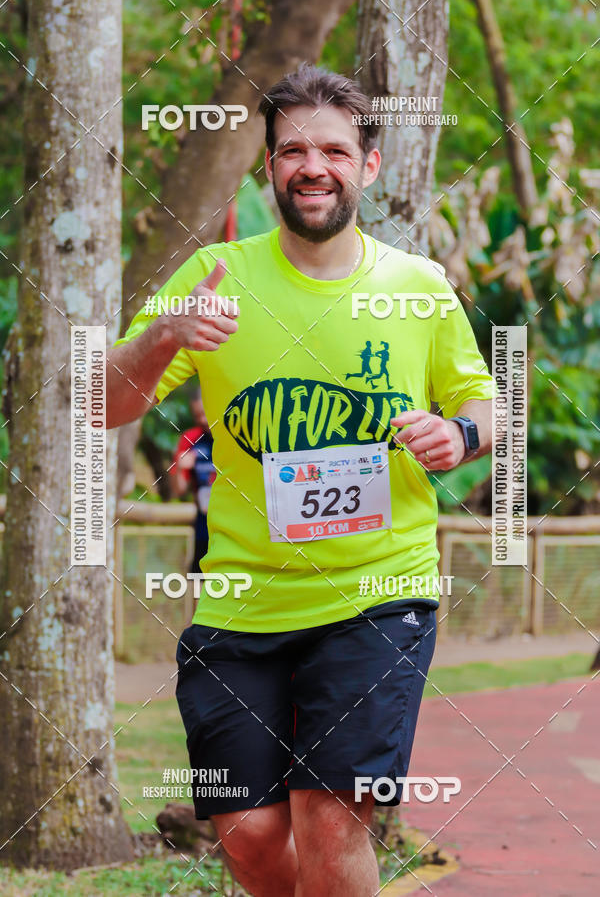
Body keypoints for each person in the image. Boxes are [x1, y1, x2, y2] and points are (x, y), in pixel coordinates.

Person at [106, 63, 494, 897]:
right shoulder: (214, 276)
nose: (312, 166)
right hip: (241, 600)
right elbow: (103, 404)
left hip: (378, 594)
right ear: (269, 166)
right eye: (292, 151)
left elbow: (490, 402)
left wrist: (461, 433)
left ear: (369, 165)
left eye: (334, 150)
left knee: (330, 816)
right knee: (247, 834)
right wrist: (164, 335)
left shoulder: (417, 287)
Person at [171, 388, 215, 575]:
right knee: (199, 579)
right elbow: (178, 490)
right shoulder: (191, 439)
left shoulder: (233, 435)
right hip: (203, 526)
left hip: (235, 523)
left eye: (205, 414)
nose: (202, 420)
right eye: (197, 416)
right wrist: (180, 467)